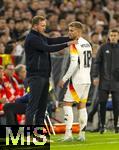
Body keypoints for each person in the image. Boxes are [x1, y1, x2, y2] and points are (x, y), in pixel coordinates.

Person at [24, 15, 77, 125]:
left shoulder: (40, 37)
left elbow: (53, 40)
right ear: (34, 25)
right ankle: (27, 134)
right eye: (42, 25)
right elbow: (48, 48)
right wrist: (67, 44)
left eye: (45, 25)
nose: (44, 27)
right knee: (33, 106)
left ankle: (38, 135)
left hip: (44, 76)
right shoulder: (32, 38)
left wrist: (69, 38)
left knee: (42, 107)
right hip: (36, 76)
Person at [58, 21, 92, 141]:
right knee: (82, 106)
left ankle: (68, 135)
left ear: (79, 31)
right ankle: (82, 135)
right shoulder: (87, 43)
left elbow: (73, 64)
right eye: (69, 30)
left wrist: (64, 79)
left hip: (77, 79)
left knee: (67, 104)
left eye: (72, 30)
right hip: (87, 79)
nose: (69, 32)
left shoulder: (74, 44)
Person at [92, 29, 119, 133]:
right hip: (103, 82)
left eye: (115, 35)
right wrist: (95, 76)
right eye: (111, 35)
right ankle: (102, 125)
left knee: (117, 105)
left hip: (116, 82)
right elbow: (96, 63)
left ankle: (117, 126)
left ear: (118, 37)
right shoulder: (103, 48)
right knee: (102, 104)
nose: (113, 37)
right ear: (109, 36)